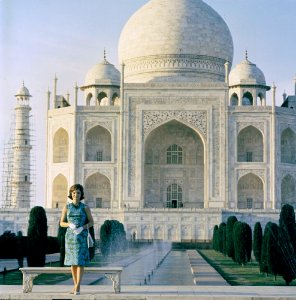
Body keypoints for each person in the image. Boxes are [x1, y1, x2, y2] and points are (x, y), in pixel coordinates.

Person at [60, 184, 94, 295]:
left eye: (78, 193)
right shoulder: (66, 207)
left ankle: (77, 287)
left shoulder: (85, 207)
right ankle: (75, 286)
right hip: (70, 237)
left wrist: (82, 227)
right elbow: (61, 223)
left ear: (81, 194)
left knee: (80, 262)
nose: (76, 195)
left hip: (81, 236)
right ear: (71, 194)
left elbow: (91, 222)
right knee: (73, 263)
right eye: (74, 193)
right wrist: (69, 224)